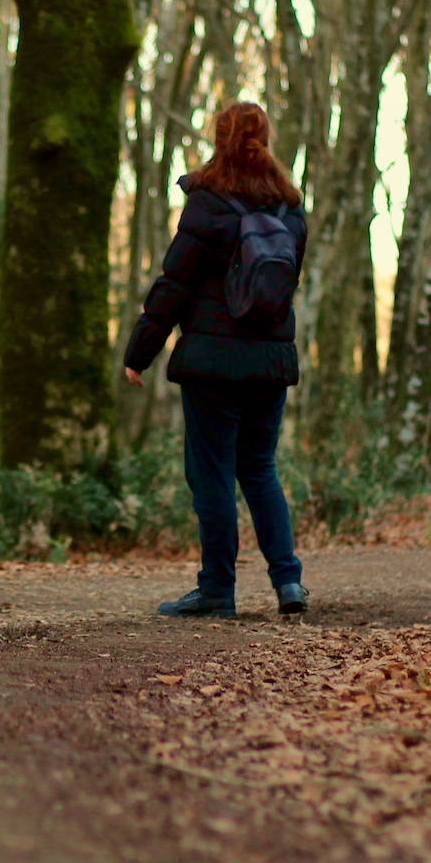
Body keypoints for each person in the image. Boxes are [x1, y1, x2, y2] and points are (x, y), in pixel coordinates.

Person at [123, 100, 308, 620]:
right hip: (270, 362)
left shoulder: (208, 203)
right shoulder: (290, 209)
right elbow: (286, 286)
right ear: (264, 139)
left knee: (212, 475)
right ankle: (288, 582)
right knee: (260, 470)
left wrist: (140, 352)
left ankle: (217, 590)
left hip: (212, 362)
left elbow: (174, 285)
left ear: (219, 137)